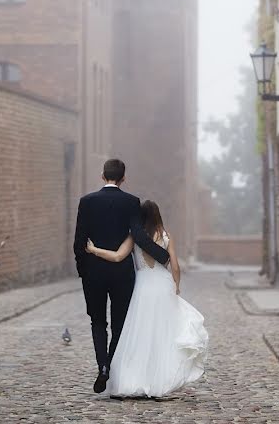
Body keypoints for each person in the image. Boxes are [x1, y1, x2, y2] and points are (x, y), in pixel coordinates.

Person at [86, 199, 208, 398]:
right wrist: (177, 286)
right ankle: (157, 381)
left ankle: (131, 380)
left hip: (142, 287)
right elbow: (175, 266)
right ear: (158, 216)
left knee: (138, 333)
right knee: (161, 334)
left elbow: (117, 256)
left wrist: (94, 250)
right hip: (163, 286)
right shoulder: (167, 236)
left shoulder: (135, 237)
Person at [73, 159, 171, 393]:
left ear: (102, 175)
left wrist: (82, 270)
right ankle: (111, 363)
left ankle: (103, 367)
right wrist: (162, 255)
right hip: (121, 275)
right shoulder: (131, 202)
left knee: (97, 322)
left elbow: (79, 241)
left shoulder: (86, 202)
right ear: (123, 178)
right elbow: (138, 235)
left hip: (93, 273)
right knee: (120, 325)